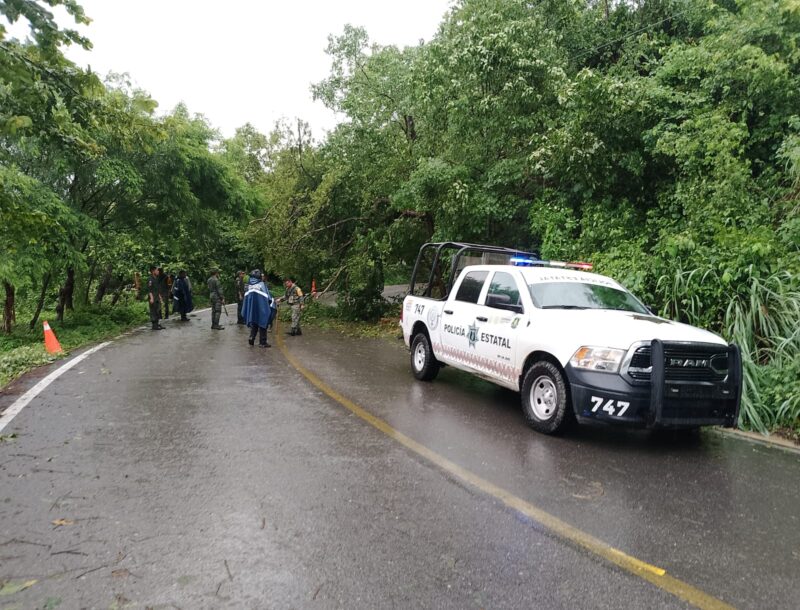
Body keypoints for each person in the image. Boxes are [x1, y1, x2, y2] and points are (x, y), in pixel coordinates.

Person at [241, 269, 275, 347]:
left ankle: (251, 338)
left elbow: (246, 299)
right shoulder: (262, 285)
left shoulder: (249, 286)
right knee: (263, 323)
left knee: (254, 323)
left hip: (252, 310)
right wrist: (273, 303)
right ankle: (262, 342)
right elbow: (268, 298)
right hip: (261, 308)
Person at [147, 266, 164, 331]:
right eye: (157, 270)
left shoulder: (156, 278)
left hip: (157, 297)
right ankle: (154, 325)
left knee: (158, 310)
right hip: (153, 298)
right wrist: (151, 298)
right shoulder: (150, 279)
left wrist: (160, 297)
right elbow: (149, 290)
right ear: (153, 271)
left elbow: (157, 289)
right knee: (153, 311)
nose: (158, 271)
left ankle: (157, 324)